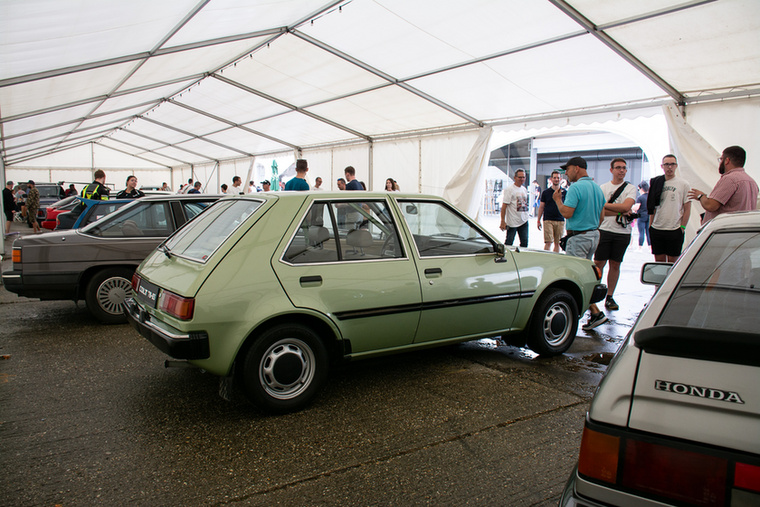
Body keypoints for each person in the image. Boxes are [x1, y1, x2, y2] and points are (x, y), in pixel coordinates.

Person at [553, 156, 607, 330]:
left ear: (576, 168)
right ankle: (594, 311)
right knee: (585, 275)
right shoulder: (597, 188)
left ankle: (592, 312)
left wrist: (558, 201)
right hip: (593, 235)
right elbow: (602, 215)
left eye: (567, 170)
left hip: (579, 237)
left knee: (574, 277)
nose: (566, 174)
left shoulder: (576, 187)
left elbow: (567, 213)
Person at [595, 158, 636, 312]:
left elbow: (627, 206)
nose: (622, 170)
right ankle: (593, 294)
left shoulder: (630, 188)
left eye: (624, 168)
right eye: (618, 167)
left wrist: (607, 207)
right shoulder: (603, 187)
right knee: (599, 263)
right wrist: (620, 210)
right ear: (611, 170)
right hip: (604, 230)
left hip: (622, 232)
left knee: (615, 264)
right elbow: (601, 210)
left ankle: (610, 296)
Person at [688, 145, 758, 224]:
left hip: (726, 230)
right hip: (743, 229)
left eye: (721, 159)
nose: (720, 162)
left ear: (727, 160)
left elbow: (711, 206)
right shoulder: (752, 182)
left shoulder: (730, 179)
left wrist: (701, 196)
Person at [648, 155, 691, 262]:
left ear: (676, 166)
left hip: (674, 228)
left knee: (672, 261)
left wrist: (682, 227)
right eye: (667, 164)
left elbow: (687, 208)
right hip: (657, 228)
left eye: (672, 164)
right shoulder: (656, 182)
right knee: (659, 262)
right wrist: (650, 226)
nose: (669, 167)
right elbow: (652, 206)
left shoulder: (683, 184)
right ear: (662, 166)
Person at [499, 168, 529, 247]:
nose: (522, 179)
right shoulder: (510, 189)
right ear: (515, 178)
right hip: (513, 222)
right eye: (520, 177)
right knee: (509, 242)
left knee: (524, 242)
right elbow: (504, 206)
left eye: (523, 177)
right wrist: (502, 221)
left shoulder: (524, 189)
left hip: (524, 220)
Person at [537, 170, 565, 251]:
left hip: (560, 220)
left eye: (558, 178)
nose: (556, 179)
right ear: (551, 179)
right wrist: (538, 220)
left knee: (558, 243)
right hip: (548, 220)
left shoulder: (564, 192)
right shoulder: (546, 192)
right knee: (548, 242)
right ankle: (546, 260)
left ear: (561, 179)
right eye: (554, 178)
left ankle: (555, 261)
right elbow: (541, 207)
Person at [634, 181, 650, 250]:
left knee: (641, 232)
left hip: (641, 216)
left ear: (641, 189)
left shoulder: (640, 198)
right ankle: (650, 247)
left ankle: (640, 247)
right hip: (649, 216)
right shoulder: (650, 197)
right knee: (648, 232)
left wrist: (632, 207)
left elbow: (636, 207)